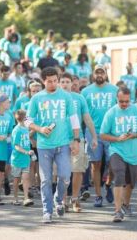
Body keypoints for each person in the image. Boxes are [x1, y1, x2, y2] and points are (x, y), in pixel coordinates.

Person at [26, 67, 80, 223]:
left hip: (63, 144)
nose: (53, 84)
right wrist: (39, 129)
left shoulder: (66, 96)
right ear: (44, 81)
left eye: (55, 80)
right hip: (44, 145)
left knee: (65, 176)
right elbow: (27, 120)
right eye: (49, 81)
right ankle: (47, 211)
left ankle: (58, 199)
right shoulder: (37, 98)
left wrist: (76, 140)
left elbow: (74, 118)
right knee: (45, 180)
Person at [100, 87, 137, 222]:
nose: (124, 104)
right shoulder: (111, 113)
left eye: (126, 101)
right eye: (121, 101)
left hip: (135, 154)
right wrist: (117, 139)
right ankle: (117, 211)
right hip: (117, 151)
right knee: (119, 175)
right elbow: (103, 134)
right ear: (117, 99)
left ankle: (126, 204)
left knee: (130, 183)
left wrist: (134, 135)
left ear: (131, 99)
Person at [59, 72, 97, 212]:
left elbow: (87, 118)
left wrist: (94, 136)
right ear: (58, 83)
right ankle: (63, 201)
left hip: (78, 139)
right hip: (60, 140)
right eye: (62, 81)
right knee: (63, 172)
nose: (64, 84)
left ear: (72, 84)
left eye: (67, 82)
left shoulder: (79, 98)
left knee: (78, 170)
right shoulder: (55, 99)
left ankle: (74, 199)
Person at [81, 65, 118, 207]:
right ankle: (98, 195)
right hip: (92, 132)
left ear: (106, 74)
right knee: (95, 164)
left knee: (113, 163)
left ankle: (108, 184)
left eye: (102, 72)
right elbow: (81, 113)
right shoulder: (85, 91)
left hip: (111, 132)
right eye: (97, 72)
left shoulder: (114, 90)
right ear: (93, 74)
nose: (100, 74)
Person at [11, 109, 35, 206]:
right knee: (16, 179)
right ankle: (15, 197)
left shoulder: (25, 129)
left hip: (25, 159)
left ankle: (26, 198)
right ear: (24, 118)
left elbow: (26, 137)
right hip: (17, 159)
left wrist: (33, 132)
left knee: (25, 178)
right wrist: (26, 151)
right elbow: (16, 145)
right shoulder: (16, 130)